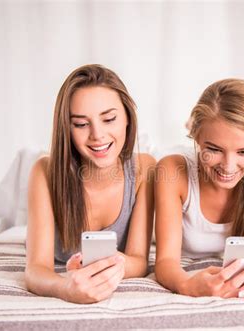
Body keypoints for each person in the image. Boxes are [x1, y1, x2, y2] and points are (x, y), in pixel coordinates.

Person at [25, 64, 155, 304]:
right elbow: (35, 270)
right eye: (81, 124)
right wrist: (66, 287)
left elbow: (138, 260)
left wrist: (104, 266)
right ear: (67, 127)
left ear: (127, 117)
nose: (97, 135)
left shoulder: (145, 168)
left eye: (109, 119)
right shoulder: (44, 172)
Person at [154, 78, 244, 301]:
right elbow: (165, 263)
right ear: (196, 137)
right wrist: (187, 284)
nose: (228, 167)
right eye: (214, 149)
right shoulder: (172, 170)